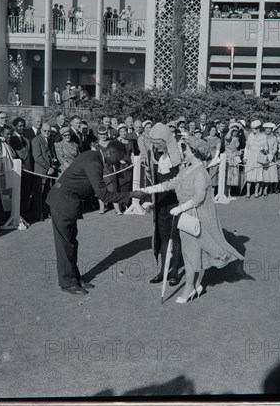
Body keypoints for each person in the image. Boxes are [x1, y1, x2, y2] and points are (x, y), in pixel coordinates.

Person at [141, 136, 244, 303]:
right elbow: (172, 183)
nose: (184, 152)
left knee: (190, 254)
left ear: (195, 152)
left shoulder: (201, 172)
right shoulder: (188, 168)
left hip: (196, 216)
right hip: (186, 215)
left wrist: (179, 208)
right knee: (191, 252)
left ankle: (188, 288)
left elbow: (198, 198)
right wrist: (149, 189)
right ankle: (196, 285)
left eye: (186, 149)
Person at [46, 141, 146, 295]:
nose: (116, 164)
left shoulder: (92, 155)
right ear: (111, 153)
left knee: (72, 242)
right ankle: (67, 283)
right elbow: (103, 195)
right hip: (62, 203)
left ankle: (75, 278)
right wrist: (131, 195)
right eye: (117, 160)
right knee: (65, 244)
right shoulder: (95, 163)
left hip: (67, 201)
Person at [146, 123, 184, 286]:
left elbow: (178, 183)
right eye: (154, 143)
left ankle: (174, 271)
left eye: (157, 143)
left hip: (175, 201)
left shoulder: (176, 157)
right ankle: (163, 271)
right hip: (161, 200)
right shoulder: (159, 156)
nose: (155, 146)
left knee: (175, 236)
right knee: (163, 235)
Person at [30, 123, 57, 222]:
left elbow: (51, 154)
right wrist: (48, 167)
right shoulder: (36, 141)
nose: (47, 133)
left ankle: (46, 212)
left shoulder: (49, 141)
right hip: (40, 171)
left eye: (49, 131)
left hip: (49, 172)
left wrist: (53, 166)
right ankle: (38, 215)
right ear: (41, 130)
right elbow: (37, 157)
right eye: (45, 131)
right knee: (38, 193)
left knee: (47, 192)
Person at [10, 117, 33, 219]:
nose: (22, 128)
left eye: (23, 126)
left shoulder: (27, 140)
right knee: (16, 194)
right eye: (19, 126)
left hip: (27, 172)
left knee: (26, 193)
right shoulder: (11, 139)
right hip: (16, 171)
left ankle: (24, 214)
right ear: (14, 127)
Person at [243, 120, 268, 198]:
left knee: (257, 174)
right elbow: (247, 147)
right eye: (252, 128)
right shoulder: (250, 135)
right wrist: (245, 157)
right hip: (250, 156)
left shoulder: (263, 136)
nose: (252, 130)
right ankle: (248, 192)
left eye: (254, 128)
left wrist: (263, 149)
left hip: (258, 156)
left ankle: (256, 191)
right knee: (249, 174)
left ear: (258, 129)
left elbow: (266, 147)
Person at [224, 123, 242, 198]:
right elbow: (227, 137)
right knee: (228, 175)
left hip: (235, 157)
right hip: (229, 157)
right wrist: (231, 129)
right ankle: (226, 193)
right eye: (234, 130)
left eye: (236, 130)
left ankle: (229, 193)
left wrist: (239, 152)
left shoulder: (237, 138)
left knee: (232, 176)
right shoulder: (229, 137)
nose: (235, 132)